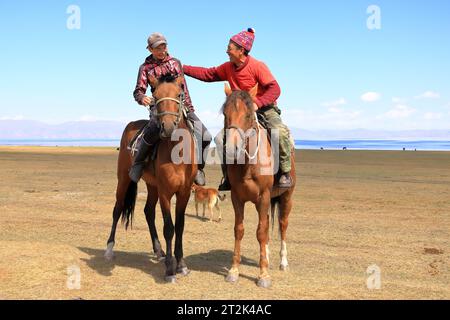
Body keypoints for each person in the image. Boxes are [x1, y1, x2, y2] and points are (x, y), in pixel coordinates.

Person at [183, 28, 292, 190]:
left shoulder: (257, 66)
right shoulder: (228, 67)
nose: (227, 50)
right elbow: (208, 74)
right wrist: (182, 67)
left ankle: (285, 172)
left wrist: (258, 103)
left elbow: (275, 89)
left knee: (279, 130)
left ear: (241, 51)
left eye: (230, 47)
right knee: (220, 139)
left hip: (264, 109)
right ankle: (228, 177)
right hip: (240, 113)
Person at [130, 32, 211, 185]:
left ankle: (198, 167)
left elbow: (184, 88)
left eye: (164, 46)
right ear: (150, 49)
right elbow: (138, 90)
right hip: (159, 110)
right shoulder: (145, 68)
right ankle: (138, 164)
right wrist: (142, 98)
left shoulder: (175, 63)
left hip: (181, 107)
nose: (161, 50)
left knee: (205, 136)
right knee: (151, 133)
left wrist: (190, 109)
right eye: (157, 48)